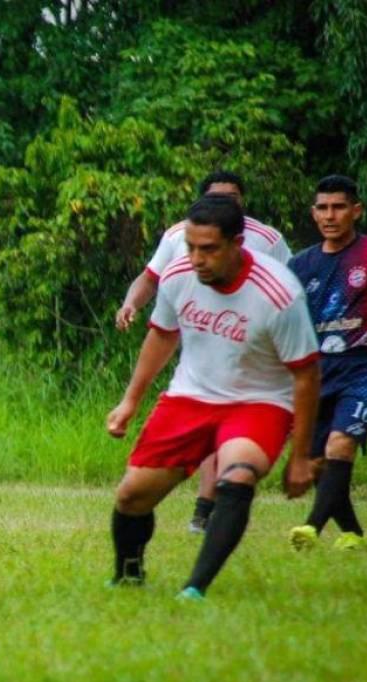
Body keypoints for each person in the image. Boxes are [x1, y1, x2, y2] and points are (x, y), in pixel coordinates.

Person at [105, 195, 320, 600]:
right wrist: (130, 401)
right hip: (190, 397)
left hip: (259, 402)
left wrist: (301, 456)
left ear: (237, 244)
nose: (197, 259)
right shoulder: (178, 275)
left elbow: (306, 375)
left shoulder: (279, 294)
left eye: (209, 249)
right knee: (133, 495)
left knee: (237, 476)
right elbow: (163, 336)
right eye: (190, 247)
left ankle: (195, 588)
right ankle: (128, 575)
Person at [115, 171, 293, 535]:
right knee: (141, 485)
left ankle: (206, 510)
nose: (226, 203)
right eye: (217, 197)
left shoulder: (268, 241)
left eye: (233, 197)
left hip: (249, 361)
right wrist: (130, 304)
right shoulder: (177, 240)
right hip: (196, 353)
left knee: (231, 444)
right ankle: (199, 510)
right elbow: (152, 280)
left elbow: (292, 291)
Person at [287, 175, 367, 551]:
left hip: (365, 366)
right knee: (318, 461)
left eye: (338, 207)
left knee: (341, 445)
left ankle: (310, 528)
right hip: (316, 371)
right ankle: (353, 533)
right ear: (313, 213)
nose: (330, 215)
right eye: (322, 208)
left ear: (356, 211)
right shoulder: (299, 265)